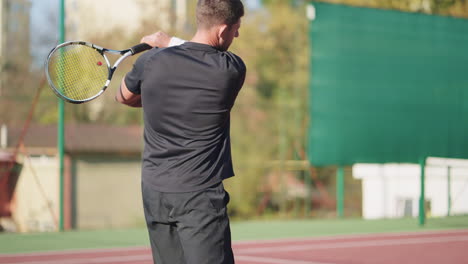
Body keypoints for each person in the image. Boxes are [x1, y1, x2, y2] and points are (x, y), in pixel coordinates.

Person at [116, 1, 246, 263]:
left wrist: (164, 49)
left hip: (154, 191)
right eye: (235, 29)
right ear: (222, 31)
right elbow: (194, 54)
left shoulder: (150, 61)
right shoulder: (230, 70)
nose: (237, 35)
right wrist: (169, 41)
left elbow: (123, 96)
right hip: (199, 195)